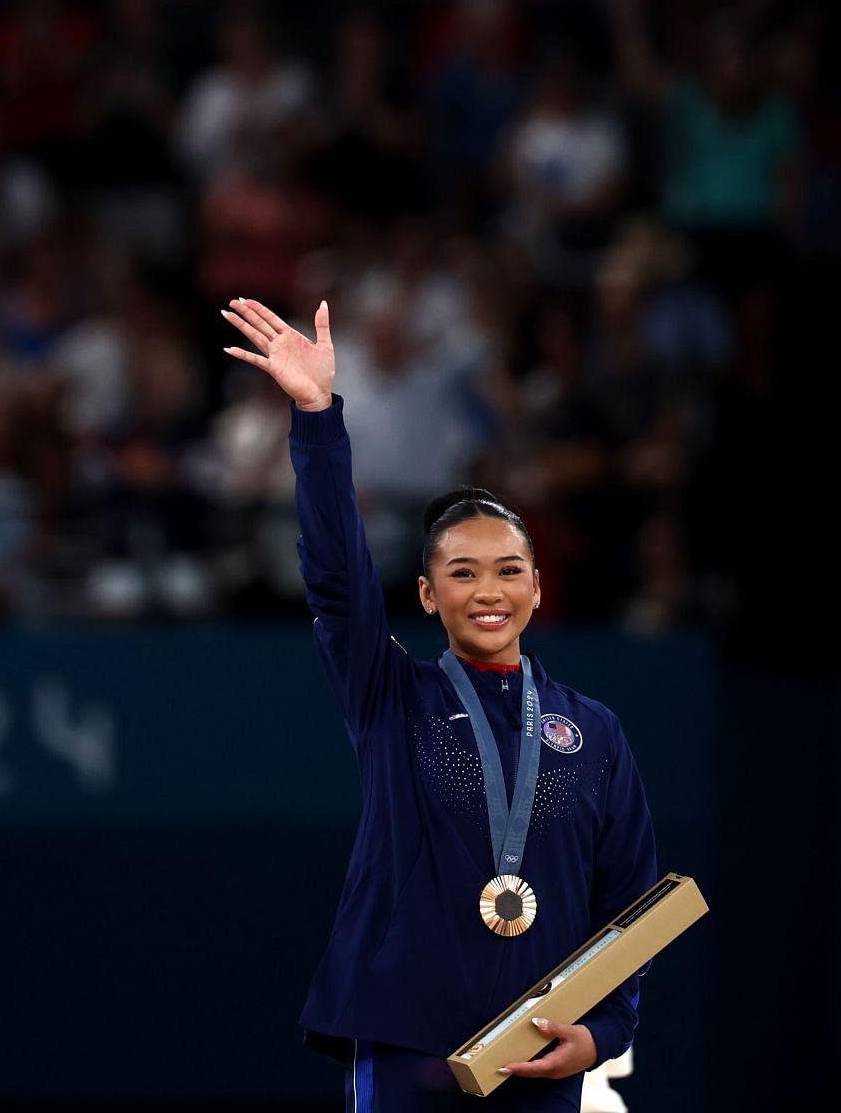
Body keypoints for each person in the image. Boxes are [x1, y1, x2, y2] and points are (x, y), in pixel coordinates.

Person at [221, 297, 659, 1111]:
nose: (487, 591)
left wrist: (602, 1032)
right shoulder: (393, 696)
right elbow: (337, 582)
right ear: (426, 593)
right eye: (462, 572)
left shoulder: (593, 732)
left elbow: (630, 905)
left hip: (538, 1050)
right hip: (404, 1036)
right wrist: (318, 419)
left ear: (536, 586)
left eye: (507, 570)